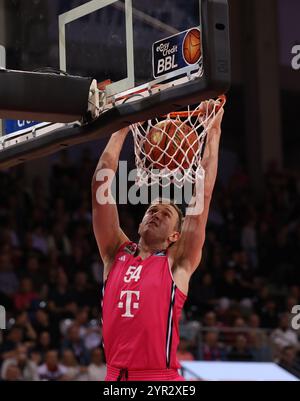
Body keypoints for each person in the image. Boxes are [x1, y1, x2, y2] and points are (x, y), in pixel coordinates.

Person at [92, 101, 225, 381]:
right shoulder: (115, 252)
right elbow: (100, 185)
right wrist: (122, 126)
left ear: (175, 236)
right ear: (139, 224)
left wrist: (213, 129)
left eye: (166, 214)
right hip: (114, 376)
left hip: (160, 378)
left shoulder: (177, 262)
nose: (155, 214)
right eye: (152, 210)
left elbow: (204, 192)